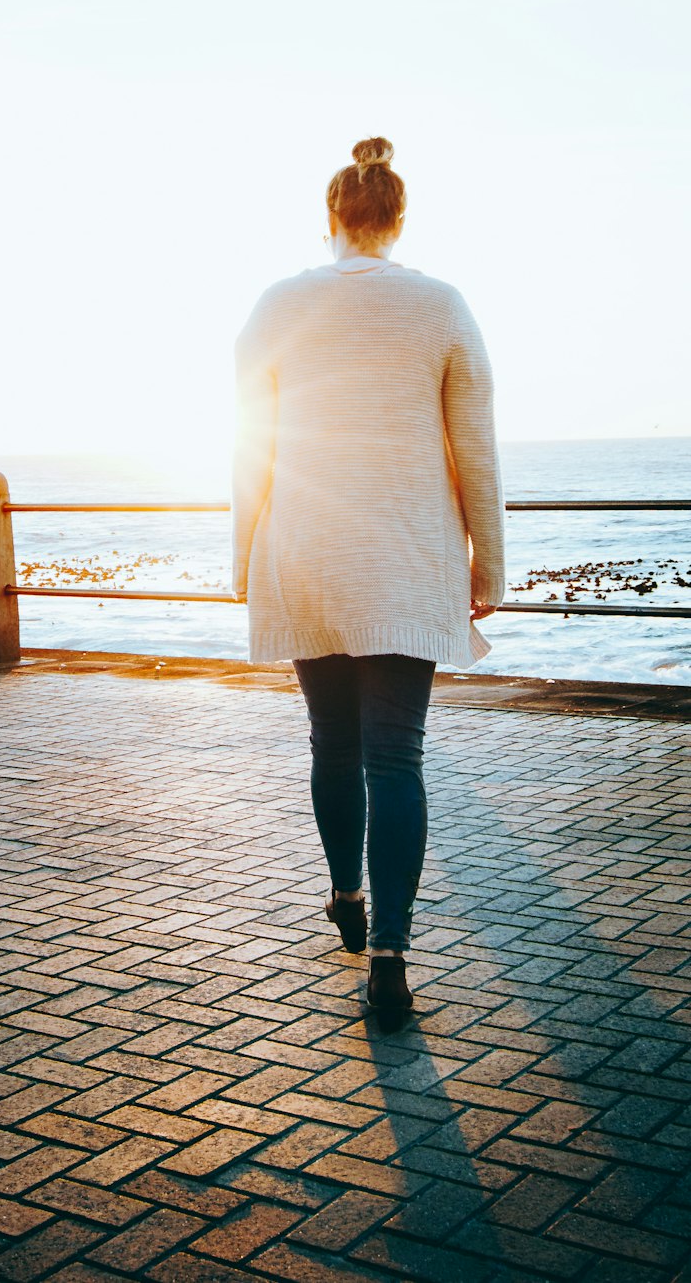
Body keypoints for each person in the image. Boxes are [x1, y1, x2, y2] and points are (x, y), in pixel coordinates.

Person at [231, 136, 505, 1031]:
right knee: (398, 758)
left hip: (303, 556)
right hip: (407, 561)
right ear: (396, 218)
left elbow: (252, 452)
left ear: (332, 219)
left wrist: (243, 562)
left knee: (330, 744)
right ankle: (389, 956)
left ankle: (344, 892)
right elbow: (476, 454)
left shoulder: (278, 304)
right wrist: (487, 568)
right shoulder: (441, 307)